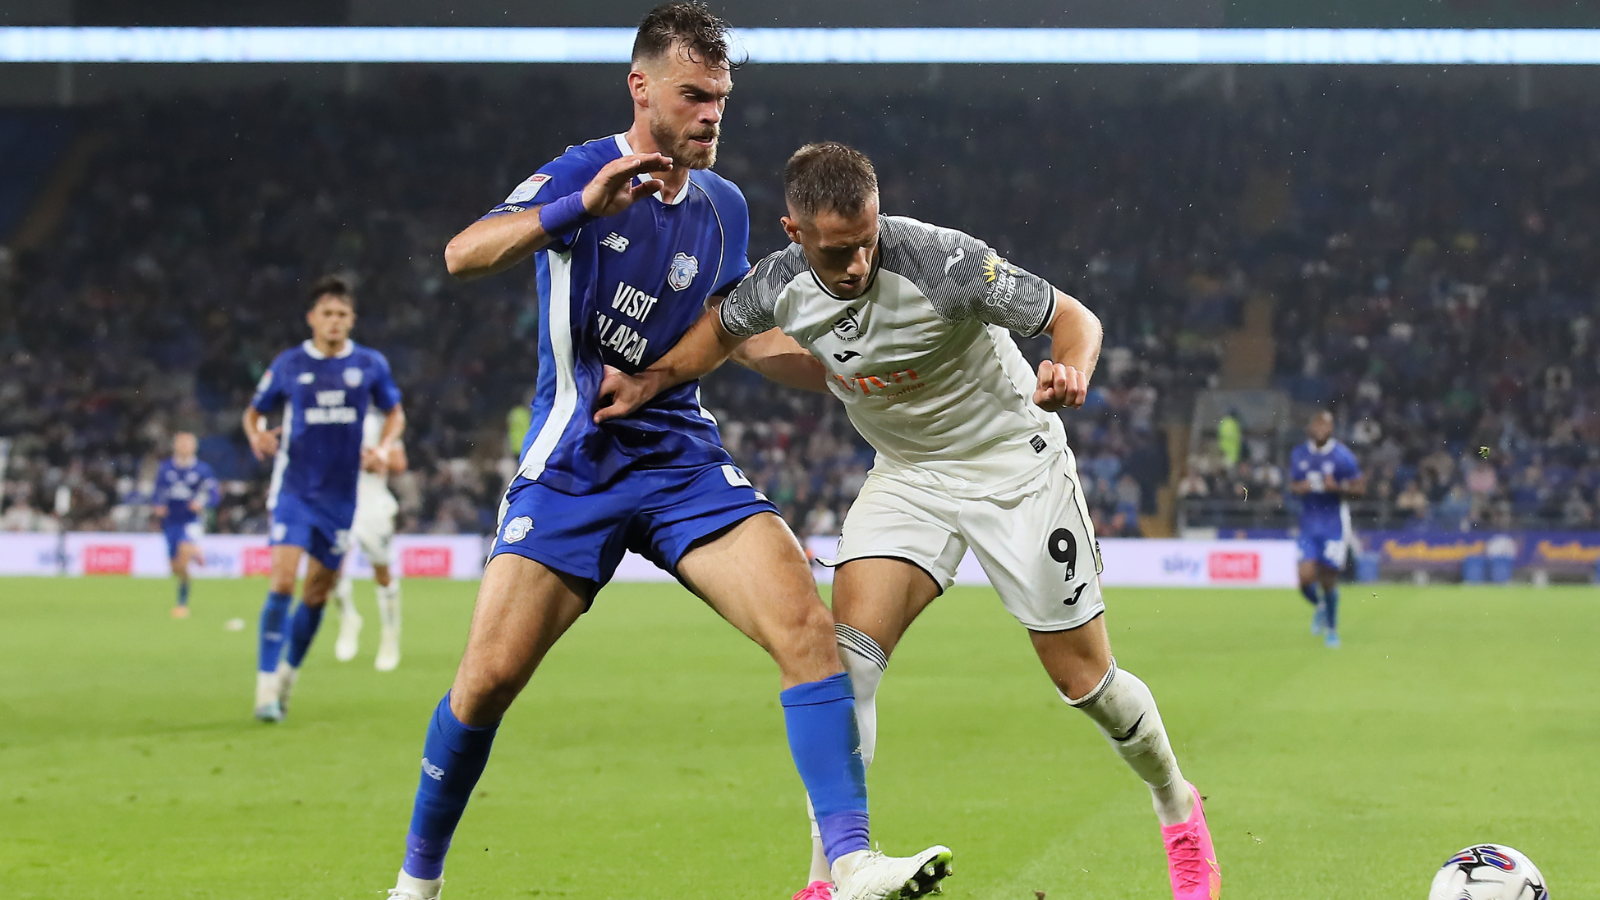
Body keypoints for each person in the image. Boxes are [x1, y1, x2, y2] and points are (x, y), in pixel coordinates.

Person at [382, 9, 949, 900]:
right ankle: (417, 884)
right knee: (486, 682)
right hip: (576, 460)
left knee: (807, 627)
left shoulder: (724, 207)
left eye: (722, 99)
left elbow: (740, 339)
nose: (712, 114)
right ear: (641, 88)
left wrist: (856, 373)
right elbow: (463, 254)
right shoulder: (583, 169)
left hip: (680, 457)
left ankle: (849, 863)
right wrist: (577, 207)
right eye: (695, 95)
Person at [597, 142, 1221, 900]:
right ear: (795, 234)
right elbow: (722, 332)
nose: (857, 262)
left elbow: (1073, 318)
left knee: (1085, 681)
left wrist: (1070, 369)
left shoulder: (943, 264)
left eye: (866, 241)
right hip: (908, 481)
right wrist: (651, 380)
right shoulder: (778, 284)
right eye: (836, 250)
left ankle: (1176, 804)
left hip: (1012, 469)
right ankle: (829, 879)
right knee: (842, 663)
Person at [243, 275, 405, 721]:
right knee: (282, 581)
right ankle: (264, 687)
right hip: (294, 491)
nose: (334, 321)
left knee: (317, 593)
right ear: (312, 318)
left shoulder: (369, 365)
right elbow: (254, 412)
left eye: (342, 315)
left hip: (341, 498)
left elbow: (395, 412)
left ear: (351, 320)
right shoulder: (291, 364)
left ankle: (286, 680)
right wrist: (257, 436)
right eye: (327, 314)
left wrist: (385, 447)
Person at [331, 408, 408, 671]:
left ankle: (389, 636)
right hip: (339, 505)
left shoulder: (380, 423)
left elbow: (399, 463)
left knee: (382, 573)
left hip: (374, 508)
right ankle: (348, 618)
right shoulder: (334, 418)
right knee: (331, 568)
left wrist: (377, 460)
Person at [1288, 410, 1365, 648]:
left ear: (1330, 429)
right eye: (1317, 424)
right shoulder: (1299, 454)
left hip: (1333, 523)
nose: (1321, 429)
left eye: (1326, 425)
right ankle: (1320, 606)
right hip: (1309, 523)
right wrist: (1299, 488)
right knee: (1304, 578)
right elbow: (1293, 485)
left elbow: (1360, 489)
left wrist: (1338, 487)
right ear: (1311, 427)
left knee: (1328, 579)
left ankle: (1332, 630)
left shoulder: (1342, 456)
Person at [152, 431, 219, 618]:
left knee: (183, 555)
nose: (184, 447)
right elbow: (158, 492)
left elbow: (214, 494)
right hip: (171, 521)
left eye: (187, 444)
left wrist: (201, 503)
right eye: (181, 443)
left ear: (194, 447)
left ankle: (182, 604)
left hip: (192, 521)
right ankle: (194, 553)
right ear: (175, 446)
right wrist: (158, 505)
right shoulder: (165, 469)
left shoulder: (202, 470)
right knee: (176, 567)